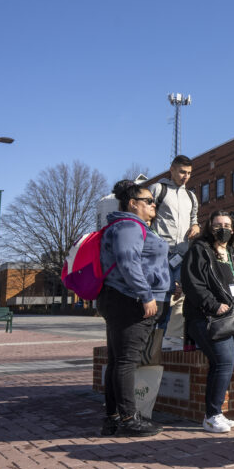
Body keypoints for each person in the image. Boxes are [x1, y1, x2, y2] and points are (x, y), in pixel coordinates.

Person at [98, 180, 170, 437]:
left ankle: (114, 417)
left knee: (118, 361)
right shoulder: (128, 225)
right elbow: (128, 262)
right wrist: (146, 295)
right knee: (126, 361)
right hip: (130, 300)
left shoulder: (130, 226)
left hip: (123, 298)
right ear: (133, 203)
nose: (154, 205)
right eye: (149, 201)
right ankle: (129, 418)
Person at [181, 211, 234, 434]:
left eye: (227, 225)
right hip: (209, 318)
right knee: (224, 361)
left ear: (233, 230)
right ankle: (212, 415)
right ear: (209, 227)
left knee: (220, 365)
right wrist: (213, 305)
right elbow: (192, 282)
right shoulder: (200, 250)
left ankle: (215, 413)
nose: (222, 228)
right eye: (217, 224)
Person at [148, 156, 200, 346]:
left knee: (177, 295)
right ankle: (154, 339)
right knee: (162, 295)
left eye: (188, 173)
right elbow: (147, 217)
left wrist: (196, 227)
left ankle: (165, 339)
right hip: (162, 254)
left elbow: (194, 219)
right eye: (182, 172)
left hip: (182, 254)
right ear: (172, 170)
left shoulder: (191, 196)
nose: (185, 176)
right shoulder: (157, 189)